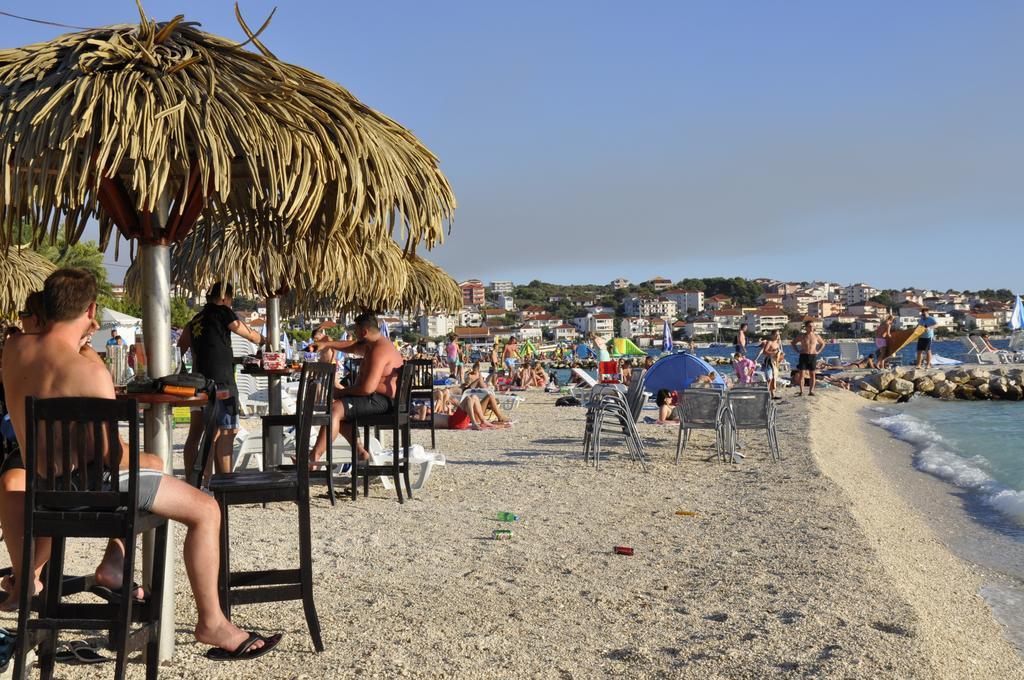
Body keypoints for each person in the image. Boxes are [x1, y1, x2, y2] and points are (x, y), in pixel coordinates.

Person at [0, 269, 280, 658]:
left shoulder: (13, 350)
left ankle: (110, 563)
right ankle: (211, 623)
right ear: (91, 311)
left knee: (151, 462)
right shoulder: (91, 371)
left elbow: (42, 345)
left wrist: (76, 340)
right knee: (205, 509)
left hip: (44, 487)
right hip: (94, 488)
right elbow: (110, 457)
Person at [177, 282, 266, 479]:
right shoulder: (223, 312)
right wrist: (265, 340)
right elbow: (247, 333)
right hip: (221, 383)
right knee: (226, 432)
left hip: (199, 384)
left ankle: (195, 480)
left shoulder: (195, 319)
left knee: (197, 433)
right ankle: (225, 482)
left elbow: (181, 345)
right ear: (226, 298)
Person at [308, 311, 403, 465]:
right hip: (382, 399)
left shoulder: (378, 350)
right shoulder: (376, 344)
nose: (354, 335)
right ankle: (360, 451)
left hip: (382, 401)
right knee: (341, 411)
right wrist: (327, 344)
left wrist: (341, 392)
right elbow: (352, 346)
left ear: (364, 332)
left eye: (356, 332)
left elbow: (367, 388)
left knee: (335, 410)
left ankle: (312, 460)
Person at [415, 388, 511, 430]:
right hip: (454, 423)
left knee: (474, 397)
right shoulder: (424, 415)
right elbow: (420, 421)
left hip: (455, 420)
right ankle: (475, 423)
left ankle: (482, 421)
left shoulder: (432, 413)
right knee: (469, 398)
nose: (427, 408)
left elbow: (444, 410)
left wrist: (448, 408)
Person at [791, 321, 826, 396]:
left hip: (812, 356)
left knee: (812, 375)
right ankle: (801, 391)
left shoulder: (816, 336)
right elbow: (793, 343)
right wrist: (797, 351)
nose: (811, 328)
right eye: (810, 326)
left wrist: (818, 351)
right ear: (806, 327)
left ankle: (811, 391)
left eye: (812, 326)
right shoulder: (802, 336)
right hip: (803, 356)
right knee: (801, 375)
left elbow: (822, 343)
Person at [755, 330, 783, 400]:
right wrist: (773, 353)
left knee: (774, 378)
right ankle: (766, 394)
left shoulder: (777, 343)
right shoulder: (769, 342)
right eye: (776, 334)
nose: (777, 336)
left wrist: (780, 356)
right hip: (769, 361)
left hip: (775, 362)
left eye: (778, 334)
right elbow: (765, 351)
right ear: (772, 335)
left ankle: (773, 395)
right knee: (769, 378)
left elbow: (779, 353)